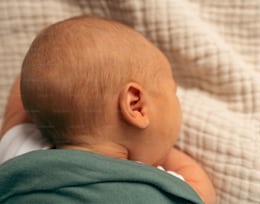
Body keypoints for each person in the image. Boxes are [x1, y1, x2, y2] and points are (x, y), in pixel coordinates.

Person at [0, 16, 215, 204]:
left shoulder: (21, 147)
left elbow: (17, 105)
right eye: (173, 91)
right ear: (136, 105)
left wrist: (55, 75)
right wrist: (162, 150)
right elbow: (199, 189)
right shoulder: (155, 184)